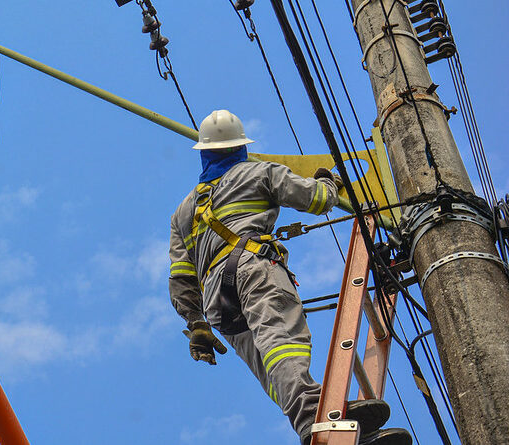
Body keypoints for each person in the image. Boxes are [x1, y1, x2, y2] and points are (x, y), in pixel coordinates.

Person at [168, 110, 411, 445]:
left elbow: (181, 276)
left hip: (215, 301)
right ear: (240, 148)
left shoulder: (183, 211)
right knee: (283, 345)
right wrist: (330, 181)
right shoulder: (258, 173)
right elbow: (317, 199)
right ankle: (319, 417)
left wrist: (196, 323)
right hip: (254, 267)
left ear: (205, 152)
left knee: (271, 366)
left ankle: (320, 419)